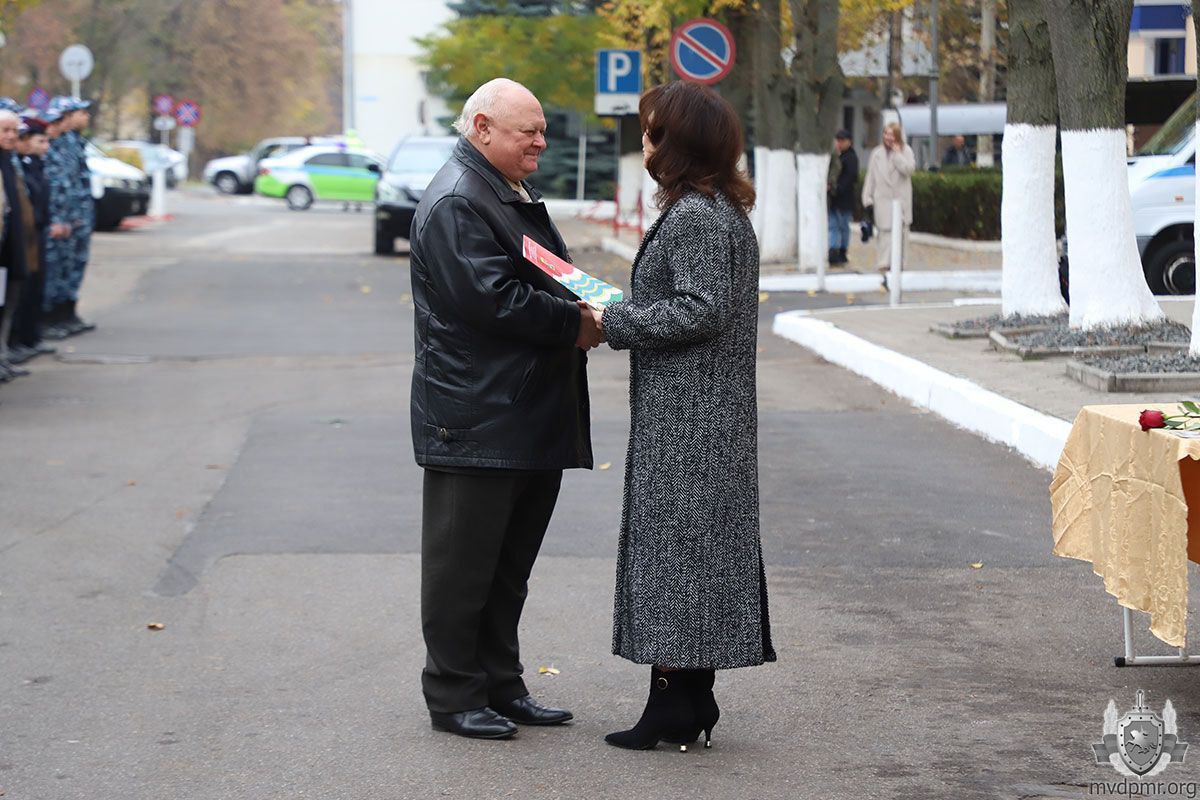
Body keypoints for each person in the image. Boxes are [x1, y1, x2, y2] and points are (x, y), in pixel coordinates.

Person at [408, 78, 602, 741]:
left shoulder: (498, 191)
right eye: (531, 131)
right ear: (483, 127)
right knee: (464, 570)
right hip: (477, 418)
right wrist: (575, 323)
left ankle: (500, 685)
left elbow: (545, 266)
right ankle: (455, 694)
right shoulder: (460, 201)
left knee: (506, 570)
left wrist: (602, 301)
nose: (542, 143)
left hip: (516, 413)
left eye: (543, 130)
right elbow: (495, 302)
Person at [597, 81, 776, 752]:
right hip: (703, 417)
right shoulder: (715, 209)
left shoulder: (698, 215)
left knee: (676, 558)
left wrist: (612, 322)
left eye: (652, 131)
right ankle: (690, 698)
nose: (645, 143)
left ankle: (676, 704)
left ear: (678, 142)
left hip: (691, 423)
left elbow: (701, 309)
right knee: (692, 558)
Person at [42, 96, 95, 340]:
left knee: (71, 266)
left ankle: (66, 314)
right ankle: (50, 318)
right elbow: (53, 187)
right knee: (53, 270)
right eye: (80, 113)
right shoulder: (49, 143)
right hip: (58, 219)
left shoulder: (72, 142)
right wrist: (58, 218)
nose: (85, 117)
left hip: (74, 217)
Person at [9, 111, 54, 365]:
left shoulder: (30, 164)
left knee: (31, 289)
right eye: (40, 141)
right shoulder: (15, 164)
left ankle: (26, 338)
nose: (45, 147)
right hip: (20, 234)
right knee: (17, 292)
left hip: (32, 233)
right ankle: (15, 341)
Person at [0, 107, 32, 382]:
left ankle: (2, 357)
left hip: (10, 249)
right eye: (5, 130)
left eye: (15, 131)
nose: (11, 136)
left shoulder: (9, 162)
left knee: (6, 305)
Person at [861, 121, 916, 273]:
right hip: (883, 201)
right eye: (886, 133)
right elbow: (870, 177)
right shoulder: (877, 154)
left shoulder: (906, 151)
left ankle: (899, 265)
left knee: (900, 235)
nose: (888, 137)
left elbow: (909, 170)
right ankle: (883, 264)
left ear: (897, 136)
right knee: (884, 234)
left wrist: (897, 154)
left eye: (891, 134)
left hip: (900, 201)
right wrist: (867, 197)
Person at [827, 129, 858, 265]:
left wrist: (837, 188)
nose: (839, 143)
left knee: (843, 225)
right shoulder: (835, 156)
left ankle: (842, 250)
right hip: (834, 198)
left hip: (844, 198)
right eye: (838, 140)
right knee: (833, 225)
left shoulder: (851, 157)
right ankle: (833, 250)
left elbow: (851, 177)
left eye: (842, 141)